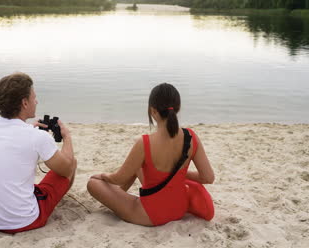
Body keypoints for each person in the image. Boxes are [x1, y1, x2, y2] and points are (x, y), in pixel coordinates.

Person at [87, 83, 215, 226]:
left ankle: (117, 196)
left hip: (150, 214)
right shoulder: (191, 137)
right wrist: (180, 172)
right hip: (179, 209)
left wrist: (103, 176)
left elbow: (118, 178)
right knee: (138, 165)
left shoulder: (144, 143)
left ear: (153, 111)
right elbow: (208, 178)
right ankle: (118, 195)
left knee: (93, 183)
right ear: (178, 108)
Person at [0, 72, 77, 233]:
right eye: (34, 97)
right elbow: (67, 168)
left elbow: (12, 137)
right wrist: (67, 137)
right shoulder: (36, 137)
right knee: (70, 163)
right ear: (25, 103)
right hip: (22, 221)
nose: (37, 101)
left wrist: (29, 128)